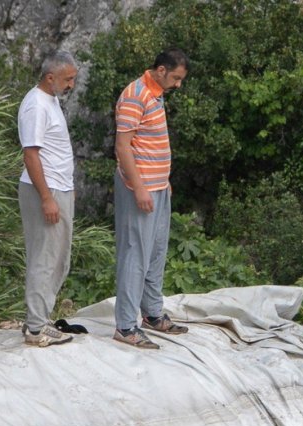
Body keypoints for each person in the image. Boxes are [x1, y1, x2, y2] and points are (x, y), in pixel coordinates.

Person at [112, 48, 189, 349]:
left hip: (159, 187)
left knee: (156, 251)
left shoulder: (155, 94)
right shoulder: (135, 94)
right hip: (139, 190)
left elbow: (149, 142)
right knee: (135, 253)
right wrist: (140, 187)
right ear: (160, 70)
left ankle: (152, 314)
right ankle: (126, 325)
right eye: (176, 78)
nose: (178, 85)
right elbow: (123, 146)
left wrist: (162, 182)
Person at [17, 51, 79, 347]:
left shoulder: (50, 100)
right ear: (50, 77)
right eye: (68, 79)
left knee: (58, 260)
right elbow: (31, 154)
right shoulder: (36, 106)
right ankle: (35, 328)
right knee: (45, 258)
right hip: (45, 190)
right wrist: (46, 198)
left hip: (58, 188)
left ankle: (38, 319)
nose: (71, 85)